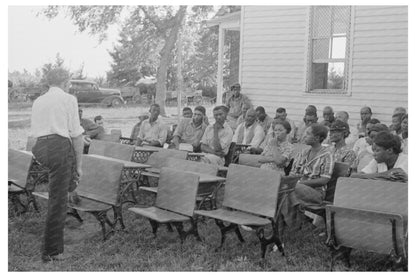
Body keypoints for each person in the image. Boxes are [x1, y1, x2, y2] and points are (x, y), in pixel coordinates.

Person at [30, 67, 84, 262]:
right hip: (57, 147)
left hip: (40, 149)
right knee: (58, 200)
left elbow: (34, 134)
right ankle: (52, 250)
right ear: (65, 82)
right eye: (69, 81)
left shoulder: (38, 101)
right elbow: (76, 135)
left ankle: (72, 187)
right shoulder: (68, 99)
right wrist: (79, 165)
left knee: (63, 183)